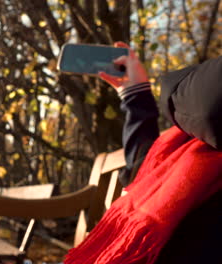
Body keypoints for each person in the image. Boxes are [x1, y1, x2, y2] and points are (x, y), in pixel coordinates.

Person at [63, 43, 221, 264]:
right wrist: (135, 95)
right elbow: (145, 171)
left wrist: (172, 84)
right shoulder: (193, 151)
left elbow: (210, 108)